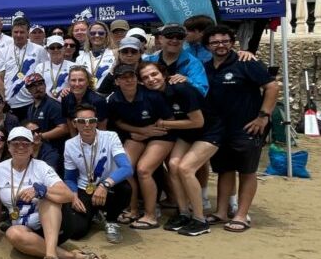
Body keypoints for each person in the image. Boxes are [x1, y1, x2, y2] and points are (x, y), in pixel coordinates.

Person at [0, 126, 103, 259]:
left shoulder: (41, 167)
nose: (20, 147)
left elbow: (67, 195)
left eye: (26, 144)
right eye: (15, 143)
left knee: (47, 197)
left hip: (53, 227)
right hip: (24, 229)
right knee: (12, 233)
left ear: (32, 147)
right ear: (9, 146)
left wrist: (41, 190)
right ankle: (73, 256)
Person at [203, 25, 278, 233]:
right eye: (215, 42)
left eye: (225, 41)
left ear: (232, 42)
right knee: (224, 171)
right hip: (219, 129)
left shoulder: (246, 62)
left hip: (247, 127)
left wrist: (263, 117)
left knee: (247, 171)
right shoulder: (206, 67)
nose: (220, 45)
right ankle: (221, 212)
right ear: (208, 46)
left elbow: (272, 87)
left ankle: (242, 215)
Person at [138, 62, 216, 236]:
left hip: (209, 132)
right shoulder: (154, 94)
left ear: (163, 73)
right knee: (173, 166)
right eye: (145, 77)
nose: (151, 79)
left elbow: (198, 122)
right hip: (187, 133)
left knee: (185, 168)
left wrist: (165, 123)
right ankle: (183, 213)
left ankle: (200, 219)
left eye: (154, 74)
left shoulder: (181, 88)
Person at [105, 64, 173, 229]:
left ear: (137, 78)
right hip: (138, 135)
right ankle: (132, 208)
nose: (128, 80)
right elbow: (118, 122)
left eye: (132, 76)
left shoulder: (152, 96)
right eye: (123, 77)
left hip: (162, 135)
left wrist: (150, 132)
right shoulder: (114, 99)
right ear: (116, 81)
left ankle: (150, 215)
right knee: (124, 167)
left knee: (143, 170)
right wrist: (140, 131)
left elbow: (170, 121)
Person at [61, 105, 134, 244]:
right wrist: (73, 196)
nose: (87, 125)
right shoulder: (70, 145)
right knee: (76, 232)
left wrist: (105, 185)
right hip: (85, 188)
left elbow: (126, 168)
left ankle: (111, 220)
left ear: (97, 122)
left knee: (125, 189)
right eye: (82, 121)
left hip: (109, 187)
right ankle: (94, 213)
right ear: (75, 124)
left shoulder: (110, 136)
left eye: (91, 120)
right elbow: (70, 178)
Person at [143, 23, 209, 95]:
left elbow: (203, 90)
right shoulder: (148, 61)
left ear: (184, 40)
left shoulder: (193, 63)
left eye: (179, 37)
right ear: (160, 39)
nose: (174, 40)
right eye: (170, 36)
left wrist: (187, 81)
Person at [5, 18, 48, 120]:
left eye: (22, 32)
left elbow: (45, 74)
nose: (18, 35)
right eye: (16, 32)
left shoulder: (39, 50)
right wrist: (3, 98)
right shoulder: (3, 51)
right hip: (10, 101)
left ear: (28, 33)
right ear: (11, 32)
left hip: (31, 101)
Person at [75, 22, 116, 91]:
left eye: (101, 33)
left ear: (106, 35)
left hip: (108, 97)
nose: (97, 35)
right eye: (93, 33)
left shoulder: (115, 54)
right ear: (88, 36)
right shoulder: (80, 58)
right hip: (86, 98)